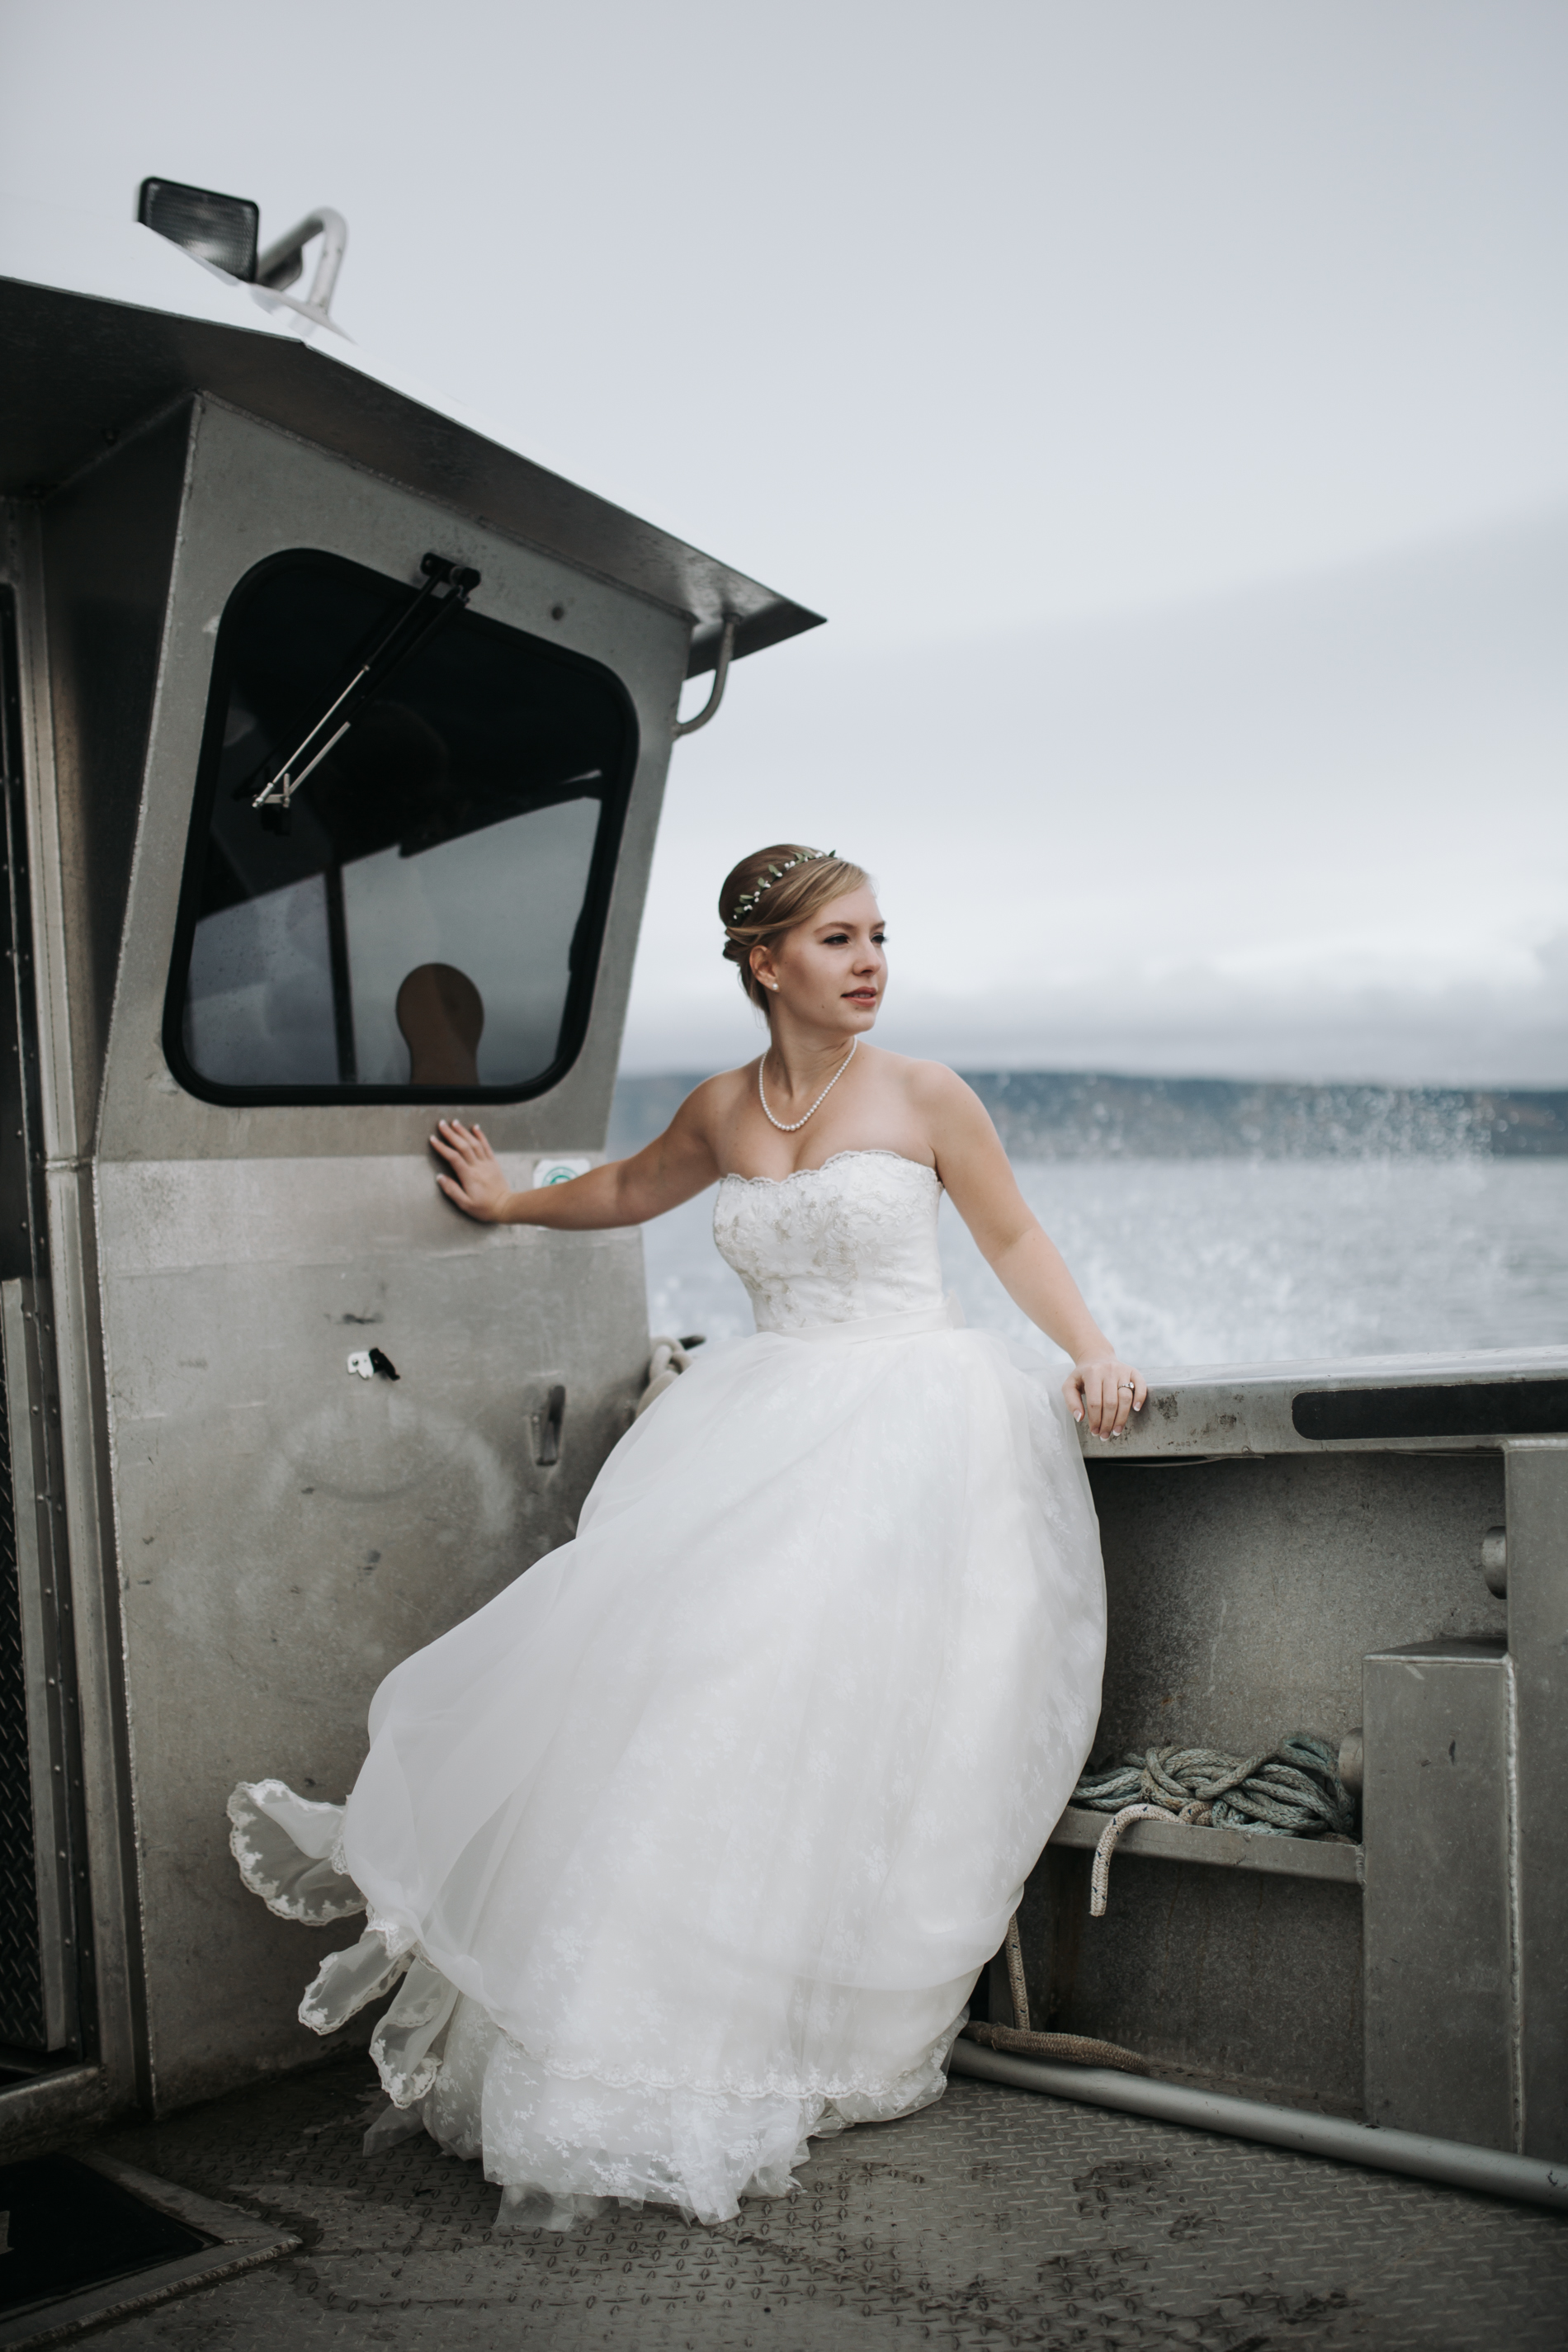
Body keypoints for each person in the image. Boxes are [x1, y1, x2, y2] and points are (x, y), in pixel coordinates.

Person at [228, 844, 1142, 2232]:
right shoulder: (725, 1106)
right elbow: (626, 1190)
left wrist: (1093, 1353)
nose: (872, 961)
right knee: (690, 1697)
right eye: (839, 939)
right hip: (759, 1423)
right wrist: (509, 1201)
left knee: (814, 1714)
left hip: (915, 1426)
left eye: (880, 934)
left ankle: (803, 2017)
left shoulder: (926, 1093)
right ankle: (621, 2026)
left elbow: (1013, 1240)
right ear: (767, 963)